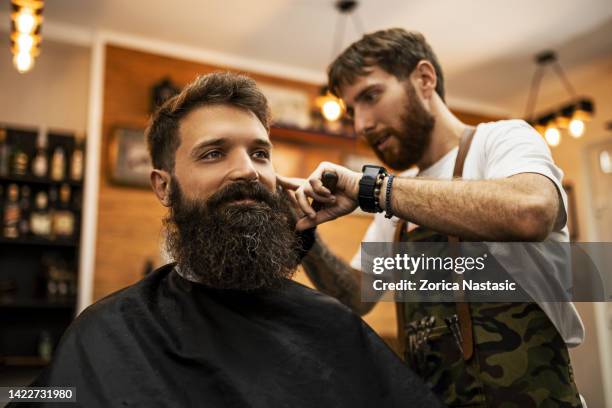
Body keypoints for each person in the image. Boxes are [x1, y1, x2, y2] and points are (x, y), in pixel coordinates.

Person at [17, 72, 442, 408]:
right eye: (213, 152)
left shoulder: (327, 323)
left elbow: (363, 298)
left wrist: (345, 210)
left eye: (260, 154)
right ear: (164, 186)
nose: (249, 171)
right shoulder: (106, 331)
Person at [282, 28, 584, 407]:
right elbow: (356, 296)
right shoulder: (398, 194)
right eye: (351, 110)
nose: (361, 125)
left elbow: (532, 212)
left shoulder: (502, 141)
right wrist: (305, 233)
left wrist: (374, 189)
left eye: (371, 96)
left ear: (424, 79)